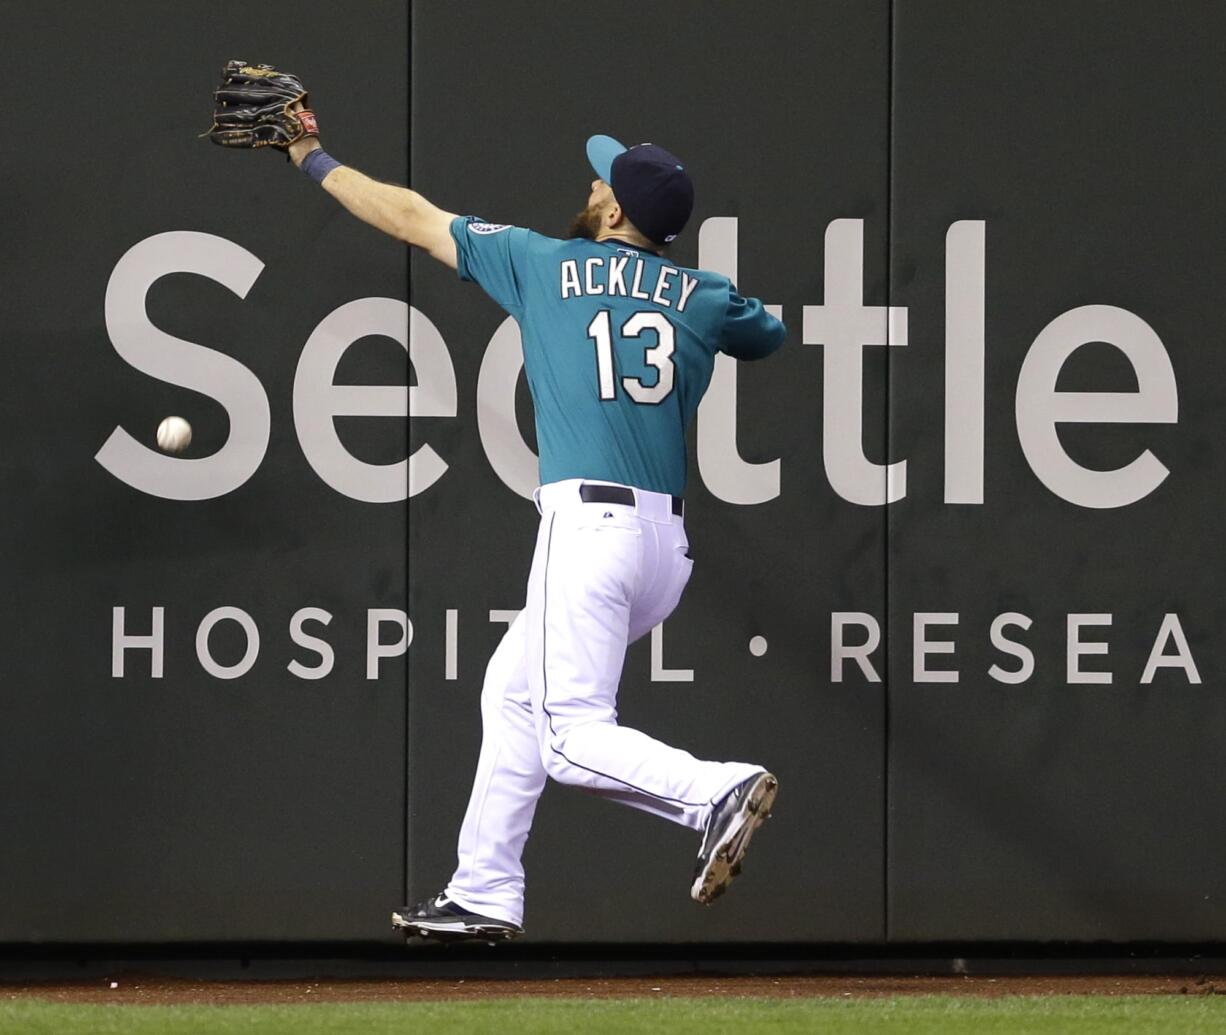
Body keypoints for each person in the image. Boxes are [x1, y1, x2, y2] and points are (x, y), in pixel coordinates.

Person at [285, 119, 786, 942]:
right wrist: (702, 295)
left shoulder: (546, 262)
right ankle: (484, 887)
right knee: (512, 690)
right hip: (663, 550)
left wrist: (311, 157)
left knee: (570, 738)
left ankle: (715, 790)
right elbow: (768, 332)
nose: (591, 188)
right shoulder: (701, 295)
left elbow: (407, 215)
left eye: (603, 183)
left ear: (619, 212)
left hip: (590, 529)